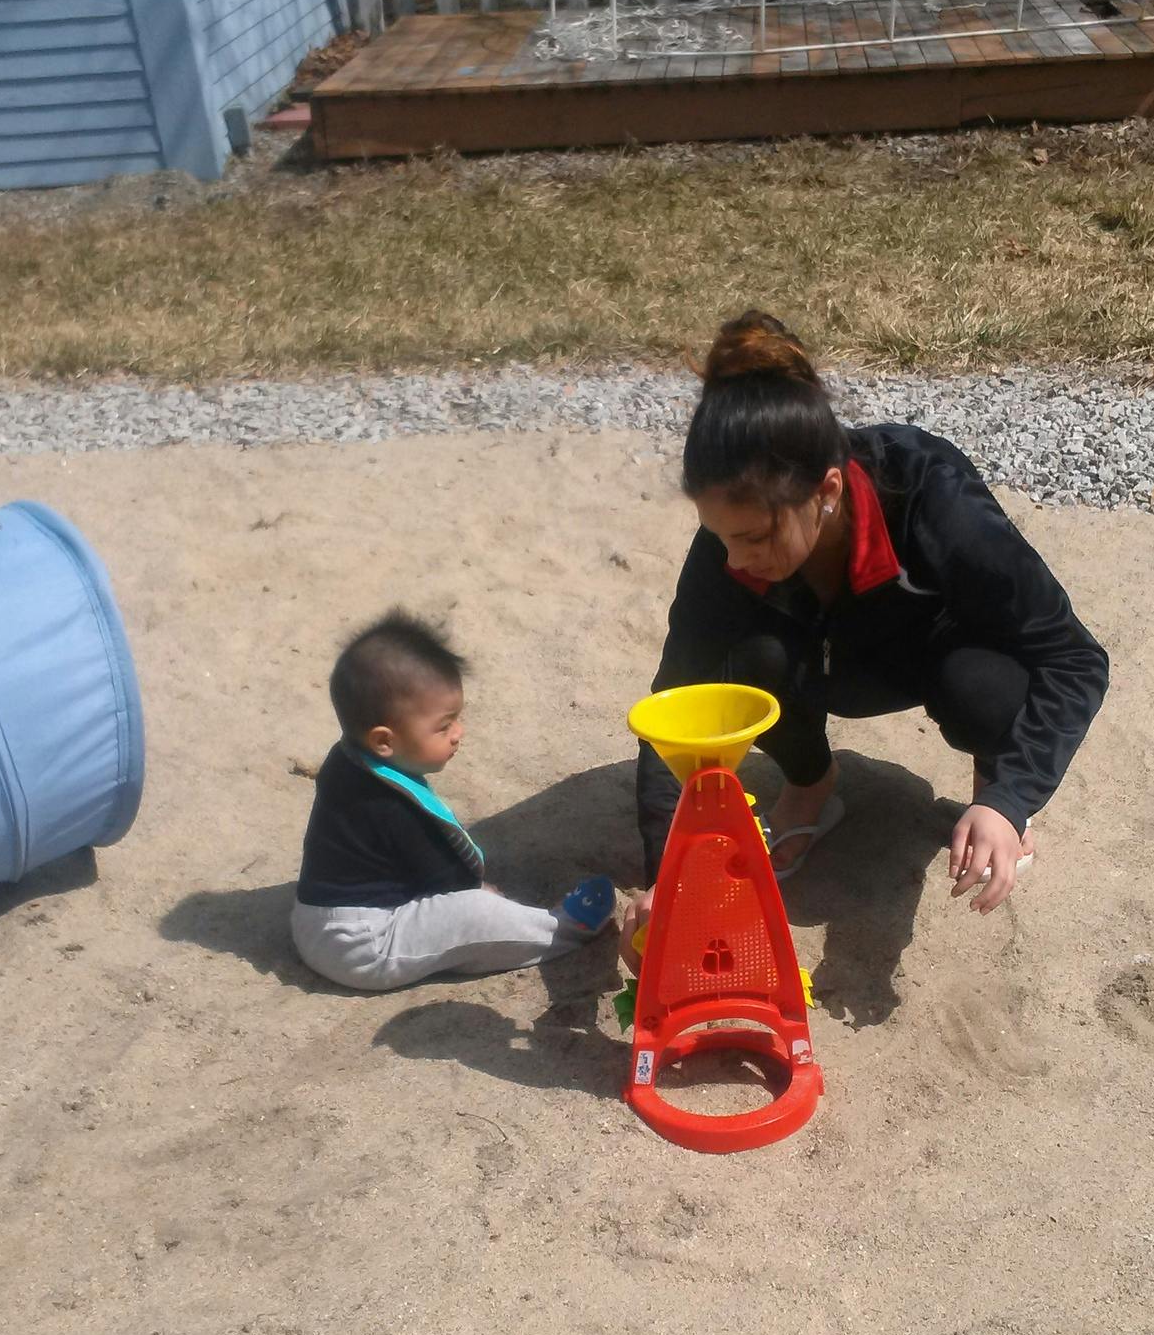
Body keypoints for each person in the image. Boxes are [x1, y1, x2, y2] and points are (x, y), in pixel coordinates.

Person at [622, 311, 1109, 965]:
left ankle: (993, 799)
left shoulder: (932, 495)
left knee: (987, 691)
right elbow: (674, 705)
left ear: (826, 491)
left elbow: (1073, 658)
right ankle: (810, 783)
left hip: (932, 656)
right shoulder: (731, 548)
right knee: (745, 660)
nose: (738, 560)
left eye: (759, 538)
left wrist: (1012, 795)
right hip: (818, 664)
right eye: (721, 536)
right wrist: (667, 876)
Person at [292, 610, 614, 991]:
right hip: (362, 946)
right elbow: (447, 881)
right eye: (443, 726)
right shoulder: (392, 804)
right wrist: (480, 892)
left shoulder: (347, 761)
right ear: (384, 741)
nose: (458, 733)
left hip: (314, 921)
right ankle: (565, 928)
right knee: (473, 915)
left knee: (446, 929)